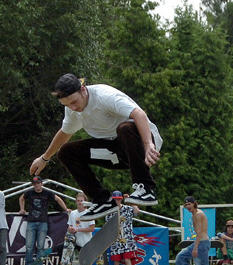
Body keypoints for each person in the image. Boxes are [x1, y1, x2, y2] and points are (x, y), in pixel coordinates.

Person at [29, 74, 162, 221]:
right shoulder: (72, 110)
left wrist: (148, 144)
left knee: (124, 128)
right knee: (66, 152)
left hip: (141, 145)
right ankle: (102, 200)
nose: (73, 108)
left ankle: (145, 188)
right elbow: (65, 133)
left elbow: (139, 114)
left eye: (74, 102)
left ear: (83, 90)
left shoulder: (105, 96)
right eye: (67, 105)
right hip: (115, 153)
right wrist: (44, 158)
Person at [18, 176, 70, 265]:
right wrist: (22, 209)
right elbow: (21, 198)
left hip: (43, 222)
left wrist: (66, 209)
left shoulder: (47, 192)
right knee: (29, 246)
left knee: (41, 246)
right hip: (31, 222)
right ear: (33, 185)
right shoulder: (29, 192)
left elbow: (58, 199)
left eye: (38, 183)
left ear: (41, 183)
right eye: (35, 183)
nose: (37, 185)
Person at [175, 197, 218, 265]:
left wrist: (195, 248)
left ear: (194, 204)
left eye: (189, 204)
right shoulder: (194, 214)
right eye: (186, 205)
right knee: (181, 256)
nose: (188, 206)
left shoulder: (198, 214)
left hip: (201, 244)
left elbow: (199, 233)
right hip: (199, 243)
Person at [107, 191, 141, 265]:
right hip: (115, 239)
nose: (117, 201)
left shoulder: (127, 208)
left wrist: (130, 200)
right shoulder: (109, 211)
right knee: (116, 261)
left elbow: (137, 211)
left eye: (118, 199)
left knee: (127, 260)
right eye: (115, 199)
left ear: (121, 199)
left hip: (127, 239)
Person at [68, 193, 96, 265]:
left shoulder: (89, 213)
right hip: (74, 240)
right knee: (63, 250)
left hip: (85, 241)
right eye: (78, 201)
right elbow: (69, 226)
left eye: (82, 201)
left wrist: (79, 230)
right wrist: (70, 229)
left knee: (85, 262)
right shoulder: (73, 213)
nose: (80, 203)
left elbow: (92, 228)